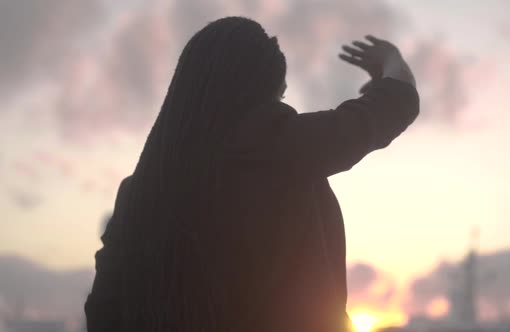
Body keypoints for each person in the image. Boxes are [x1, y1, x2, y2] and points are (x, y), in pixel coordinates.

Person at [85, 16, 419, 332]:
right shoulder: (283, 151)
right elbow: (395, 103)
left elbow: (103, 309)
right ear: (260, 93)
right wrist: (391, 59)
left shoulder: (139, 192)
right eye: (279, 94)